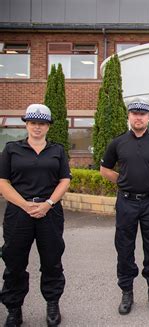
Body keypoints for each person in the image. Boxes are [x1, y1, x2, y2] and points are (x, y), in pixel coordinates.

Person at [100, 96, 149, 315]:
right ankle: (127, 291)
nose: (138, 118)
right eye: (135, 114)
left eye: (142, 114)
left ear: (148, 117)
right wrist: (124, 181)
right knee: (124, 247)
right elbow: (105, 170)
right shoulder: (117, 143)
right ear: (129, 116)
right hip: (126, 202)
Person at [0, 104, 71, 327]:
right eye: (33, 123)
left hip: (49, 212)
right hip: (19, 214)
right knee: (14, 262)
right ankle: (14, 309)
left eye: (41, 123)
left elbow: (64, 180)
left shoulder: (57, 150)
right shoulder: (12, 149)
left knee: (52, 262)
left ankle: (52, 304)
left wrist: (48, 204)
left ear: (48, 126)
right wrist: (24, 205)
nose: (37, 127)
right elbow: (2, 182)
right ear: (27, 125)